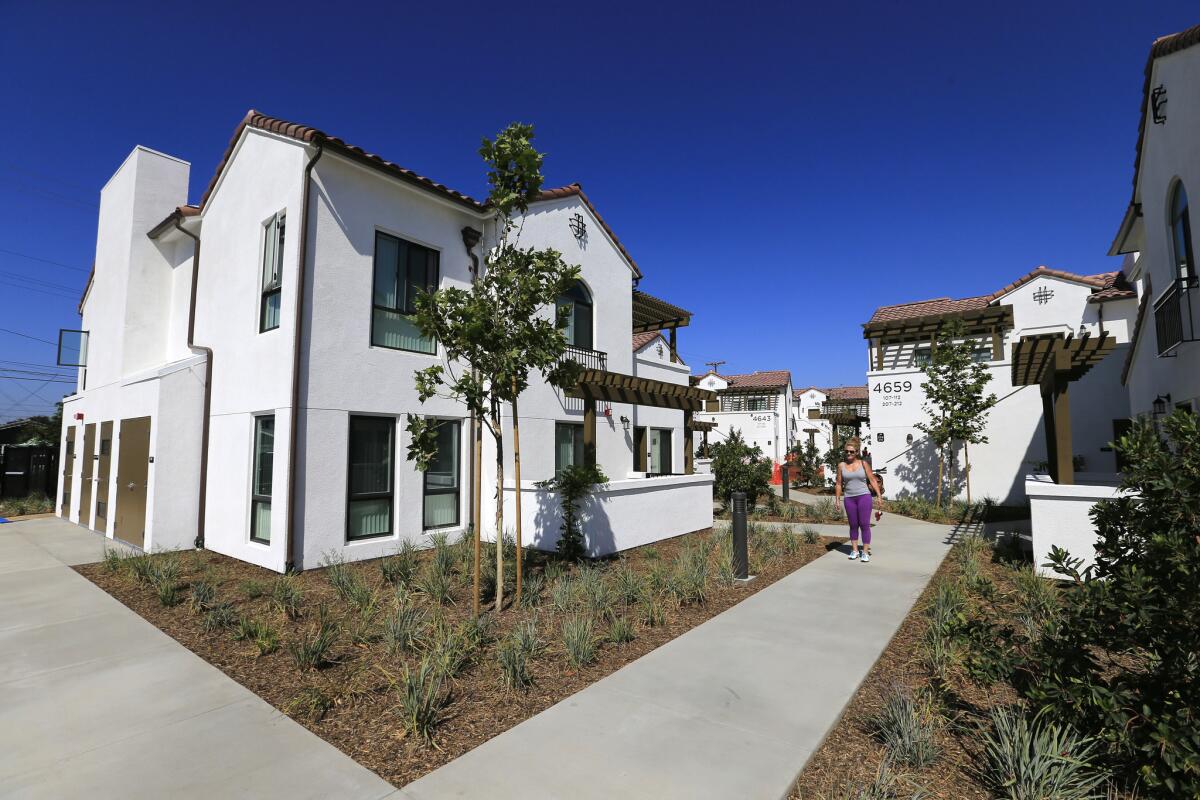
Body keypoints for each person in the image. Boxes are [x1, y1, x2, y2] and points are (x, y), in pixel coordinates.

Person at [834, 436, 884, 562]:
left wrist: (878, 495)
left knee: (864, 524)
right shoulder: (841, 466)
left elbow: (872, 480)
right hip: (849, 498)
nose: (849, 454)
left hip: (864, 497)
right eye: (846, 452)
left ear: (856, 452)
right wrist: (837, 500)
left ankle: (865, 552)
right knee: (853, 525)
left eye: (851, 452)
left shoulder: (863, 463)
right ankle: (855, 550)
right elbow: (839, 484)